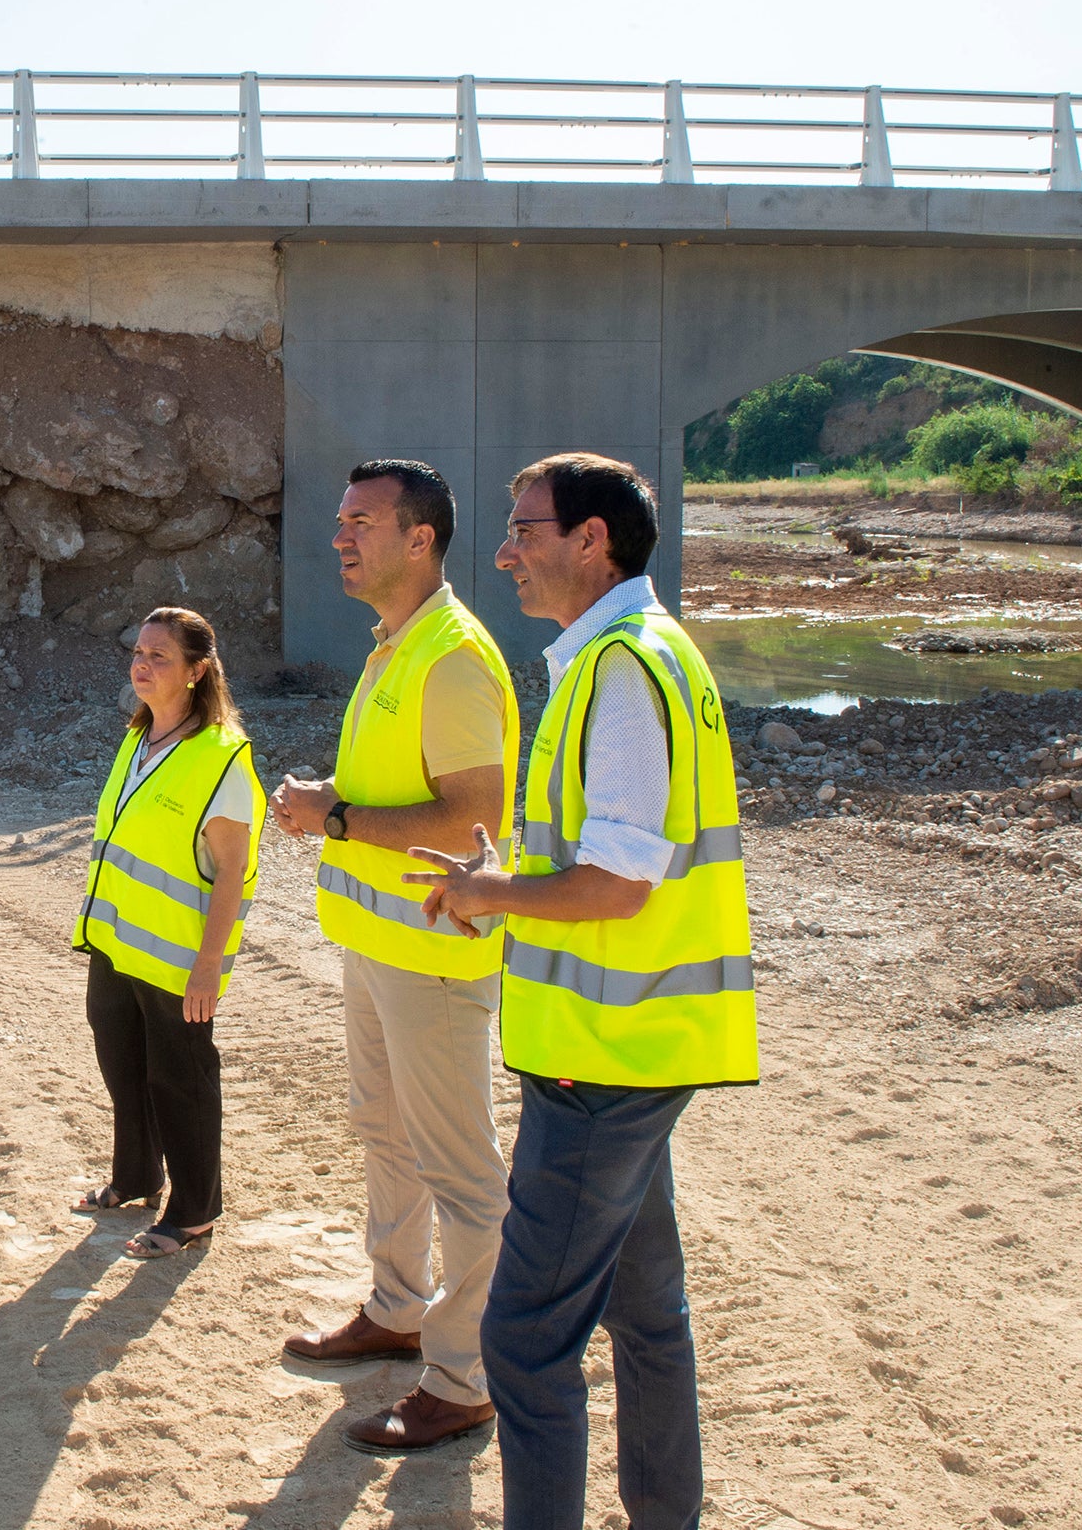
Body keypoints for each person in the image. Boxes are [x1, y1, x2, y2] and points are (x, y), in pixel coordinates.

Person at [404, 452, 757, 1529]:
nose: (504, 552)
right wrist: (500, 886)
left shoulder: (619, 668)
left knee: (523, 1337)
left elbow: (617, 880)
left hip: (601, 1059)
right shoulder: (646, 650)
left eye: (525, 530)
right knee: (647, 1311)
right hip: (641, 1043)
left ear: (591, 539)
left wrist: (489, 892)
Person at [269, 460, 521, 1455]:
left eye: (361, 521)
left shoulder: (451, 657)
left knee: (462, 1171)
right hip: (381, 945)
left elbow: (471, 817)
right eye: (341, 520)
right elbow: (396, 789)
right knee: (385, 1132)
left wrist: (333, 814)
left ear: (420, 538)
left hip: (434, 953)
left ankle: (465, 1376)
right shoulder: (395, 645)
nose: (340, 535)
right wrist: (327, 803)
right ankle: (397, 1308)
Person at [72, 606, 266, 1260]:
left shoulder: (221, 757)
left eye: (160, 656)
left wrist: (209, 965)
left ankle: (194, 1210)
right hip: (117, 941)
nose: (143, 665)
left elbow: (233, 870)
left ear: (196, 671)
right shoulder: (139, 737)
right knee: (122, 1061)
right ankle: (135, 1176)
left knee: (179, 1078)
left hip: (179, 955)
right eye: (139, 652)